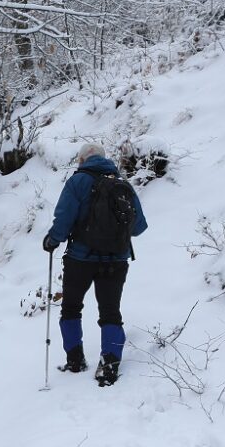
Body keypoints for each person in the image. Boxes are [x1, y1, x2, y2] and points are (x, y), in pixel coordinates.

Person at [42, 143, 148, 386]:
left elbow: (64, 218)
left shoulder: (77, 181)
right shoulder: (123, 184)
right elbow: (139, 227)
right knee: (110, 311)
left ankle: (75, 361)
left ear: (82, 159)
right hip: (116, 260)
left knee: (71, 308)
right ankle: (109, 366)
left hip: (80, 258)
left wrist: (52, 240)